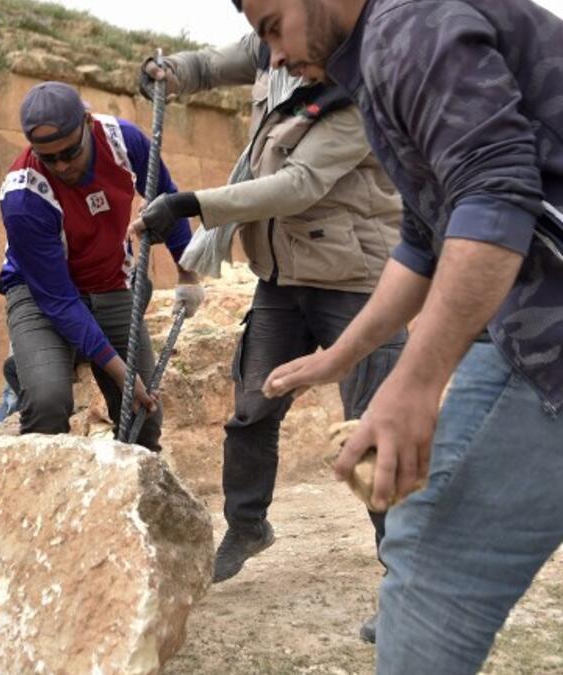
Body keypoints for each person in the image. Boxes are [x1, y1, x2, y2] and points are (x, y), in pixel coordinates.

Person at [236, 0, 563, 671]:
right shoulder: (380, 51)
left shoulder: (408, 29)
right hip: (526, 325)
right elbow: (425, 237)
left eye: (272, 25)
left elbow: (495, 195)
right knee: (419, 539)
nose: (272, 55)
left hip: (547, 329)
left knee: (436, 562)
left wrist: (415, 380)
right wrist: (339, 355)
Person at [134, 32, 405, 640]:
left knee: (373, 431)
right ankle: (249, 524)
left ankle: (408, 582)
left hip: (357, 281)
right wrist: (168, 71)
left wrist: (189, 204)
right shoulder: (277, 44)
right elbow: (208, 65)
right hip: (281, 278)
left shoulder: (362, 89)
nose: (273, 54)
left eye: (280, 33)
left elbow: (297, 185)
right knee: (250, 410)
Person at [0, 81, 198, 452]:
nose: (62, 165)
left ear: (87, 123)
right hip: (41, 295)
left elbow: (166, 197)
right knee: (47, 403)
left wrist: (187, 270)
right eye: (48, 158)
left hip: (110, 283)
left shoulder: (124, 141)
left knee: (144, 415)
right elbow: (59, 300)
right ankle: (39, 366)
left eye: (70, 152)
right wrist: (120, 371)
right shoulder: (23, 197)